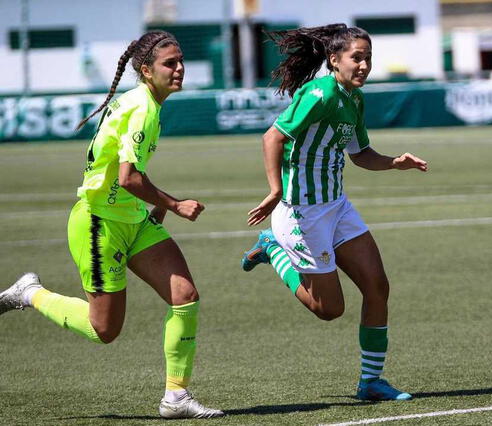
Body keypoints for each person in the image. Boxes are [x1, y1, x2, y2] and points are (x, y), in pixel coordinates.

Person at [0, 31, 223, 419]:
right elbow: (128, 179)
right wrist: (174, 204)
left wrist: (155, 208)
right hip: (98, 224)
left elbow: (131, 177)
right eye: (170, 63)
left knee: (184, 296)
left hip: (132, 219)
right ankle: (30, 293)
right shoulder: (143, 108)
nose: (180, 68)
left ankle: (176, 397)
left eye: (181, 60)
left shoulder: (144, 102)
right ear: (146, 70)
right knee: (104, 329)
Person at [241, 24, 427, 401]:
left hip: (337, 206)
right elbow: (272, 136)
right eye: (356, 57)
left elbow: (359, 154)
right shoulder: (320, 92)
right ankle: (273, 248)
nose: (363, 65)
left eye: (368, 58)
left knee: (377, 286)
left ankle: (371, 382)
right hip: (301, 212)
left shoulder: (354, 99)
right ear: (334, 59)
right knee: (330, 310)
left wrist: (394, 163)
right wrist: (275, 191)